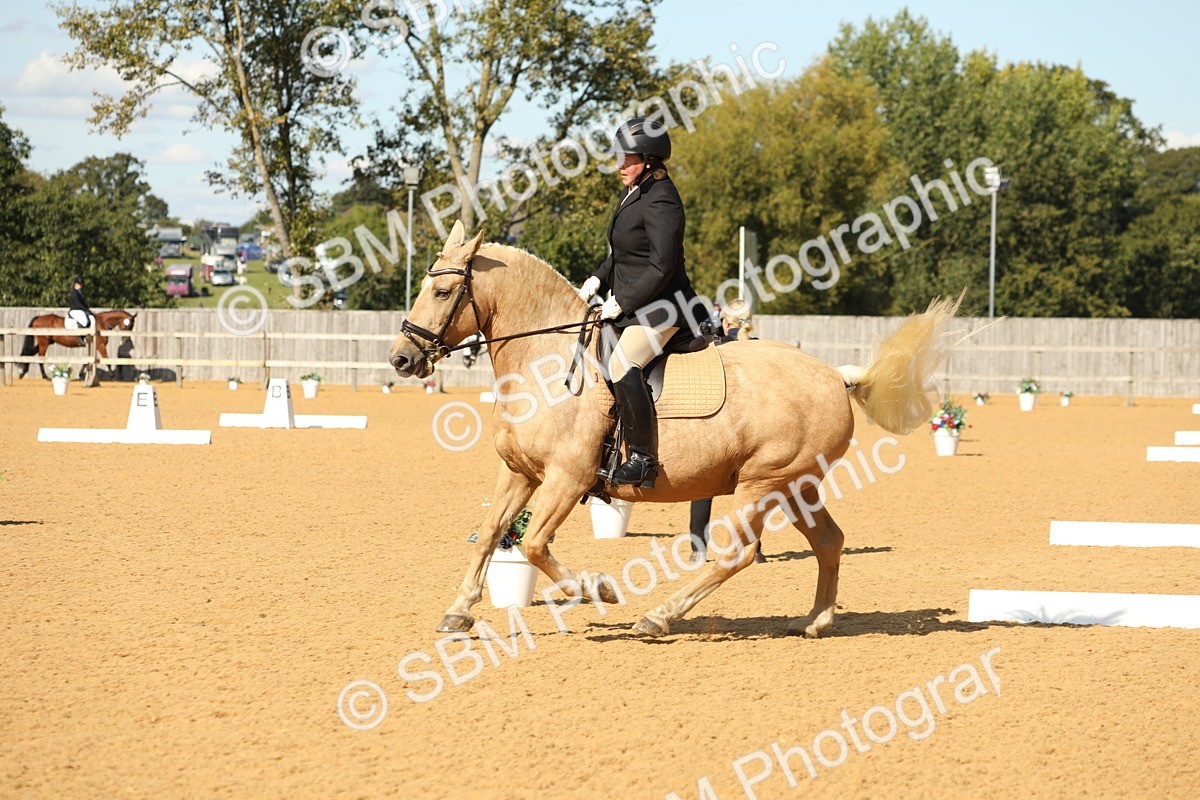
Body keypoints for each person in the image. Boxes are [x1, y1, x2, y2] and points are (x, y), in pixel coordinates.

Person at [577, 117, 705, 489]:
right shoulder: (634, 190)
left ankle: (644, 461)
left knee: (623, 362)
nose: (620, 165)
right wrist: (597, 279)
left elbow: (661, 265)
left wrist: (623, 301)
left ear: (648, 160)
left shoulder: (662, 198)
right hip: (634, 304)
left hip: (665, 306)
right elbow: (622, 252)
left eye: (627, 158)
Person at [688, 299, 766, 563]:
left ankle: (698, 550)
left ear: (724, 321)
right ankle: (753, 549)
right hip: (754, 430)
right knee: (755, 489)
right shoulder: (759, 347)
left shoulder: (712, 346)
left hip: (716, 426)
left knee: (701, 489)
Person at [66, 276, 94, 345]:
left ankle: (87, 336)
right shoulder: (74, 292)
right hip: (75, 310)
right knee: (84, 320)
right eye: (79, 284)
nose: (81, 285)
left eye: (81, 284)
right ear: (75, 284)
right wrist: (85, 309)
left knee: (90, 318)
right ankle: (80, 337)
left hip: (80, 310)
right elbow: (77, 303)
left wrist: (88, 309)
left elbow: (83, 303)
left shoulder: (80, 293)